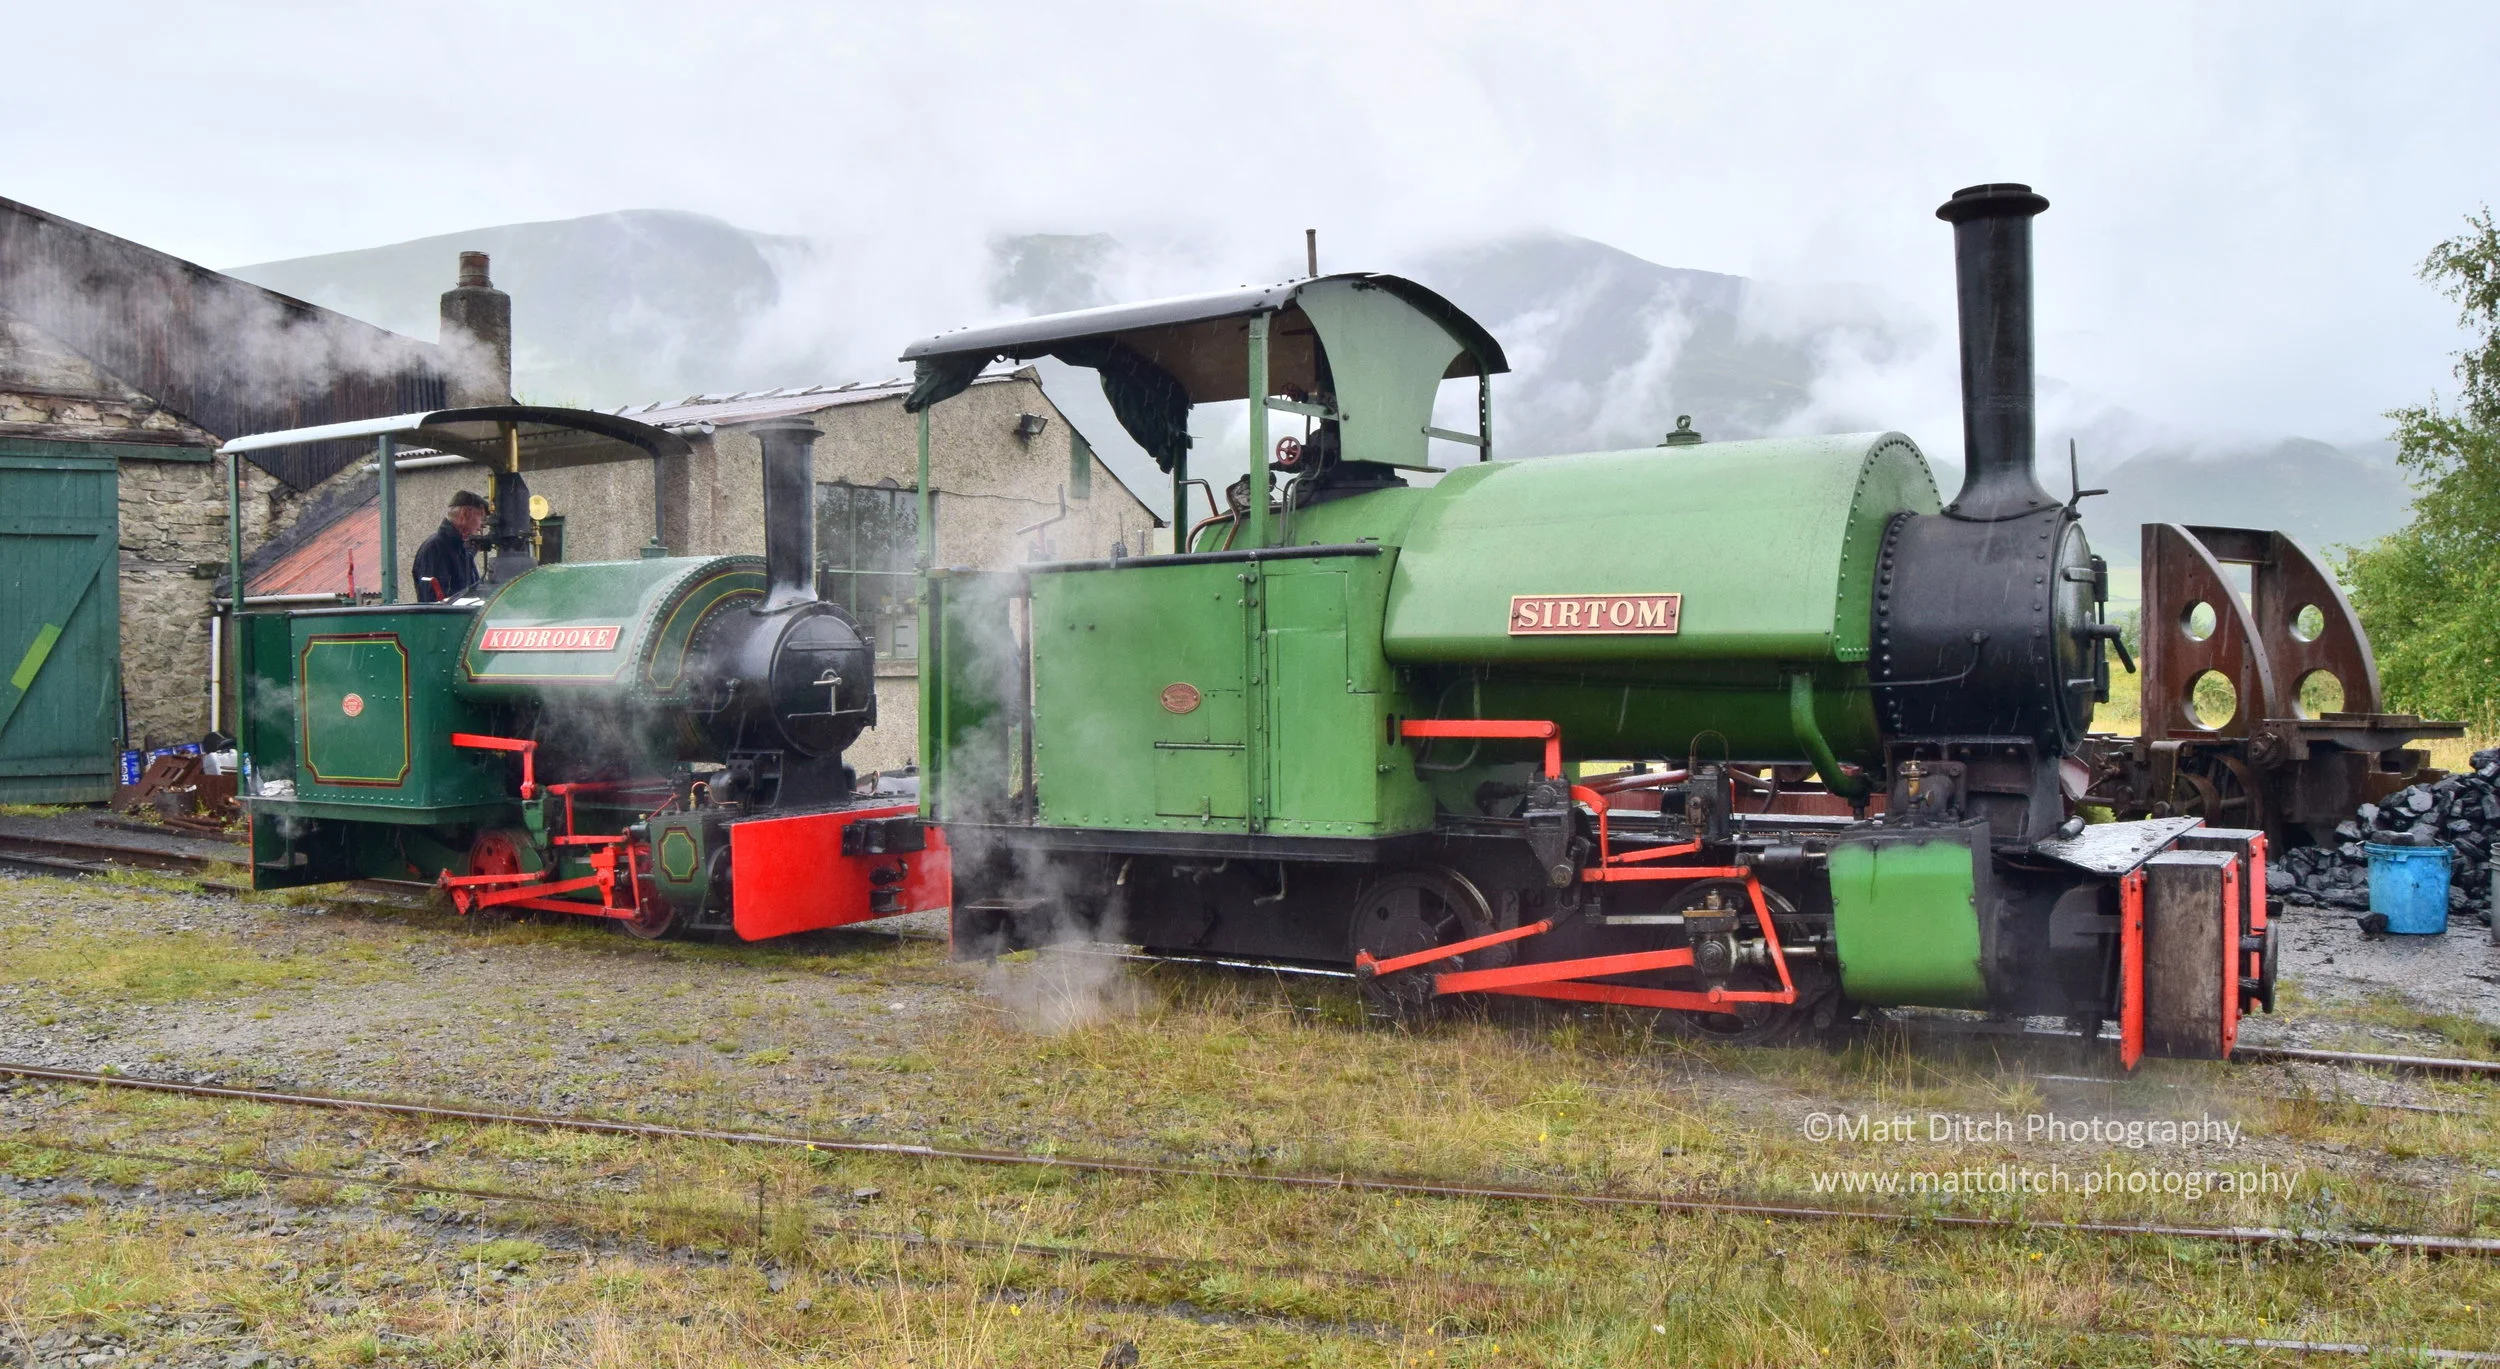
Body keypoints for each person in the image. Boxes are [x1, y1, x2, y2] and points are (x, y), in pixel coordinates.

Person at [413, 491, 488, 602]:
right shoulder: (436, 548)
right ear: (465, 513)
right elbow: (434, 602)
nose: (481, 527)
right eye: (481, 518)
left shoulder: (461, 549)